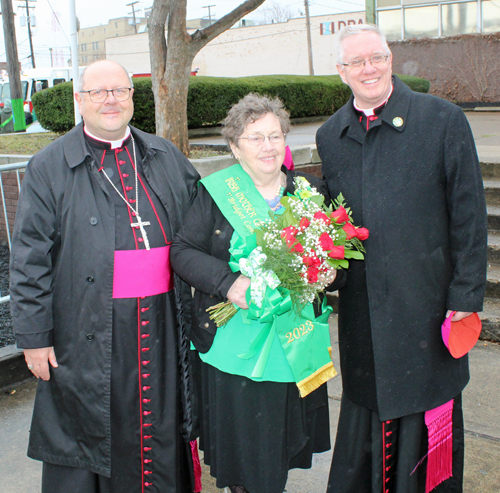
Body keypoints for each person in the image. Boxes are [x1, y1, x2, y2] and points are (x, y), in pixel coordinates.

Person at [10, 60, 200, 493]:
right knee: (93, 430)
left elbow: (204, 223)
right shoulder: (49, 165)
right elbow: (29, 258)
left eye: (119, 90)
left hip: (162, 325)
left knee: (159, 422)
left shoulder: (164, 154)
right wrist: (35, 338)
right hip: (89, 327)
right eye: (98, 92)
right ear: (80, 100)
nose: (110, 99)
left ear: (133, 98)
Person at [317, 24, 488, 493]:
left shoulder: (443, 119)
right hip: (364, 317)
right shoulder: (331, 135)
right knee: (368, 417)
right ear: (341, 72)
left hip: (429, 306)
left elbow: (469, 216)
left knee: (424, 416)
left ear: (391, 59)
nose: (368, 68)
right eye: (356, 62)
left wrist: (466, 295)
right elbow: (334, 224)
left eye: (376, 57)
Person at [171, 93, 333, 493]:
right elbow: (182, 251)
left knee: (277, 444)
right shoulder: (215, 193)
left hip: (293, 340)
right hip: (232, 344)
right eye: (255, 137)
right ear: (234, 148)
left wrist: (327, 271)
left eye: (275, 136)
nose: (268, 146)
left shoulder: (309, 190)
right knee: (245, 451)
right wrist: (230, 283)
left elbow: (334, 254)